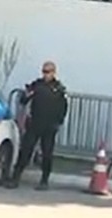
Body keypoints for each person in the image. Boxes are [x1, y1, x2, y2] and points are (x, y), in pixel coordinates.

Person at [5, 61, 69, 190]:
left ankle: (44, 181)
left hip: (50, 126)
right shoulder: (36, 85)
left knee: (47, 153)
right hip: (35, 124)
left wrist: (59, 122)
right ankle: (15, 178)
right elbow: (23, 100)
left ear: (53, 73)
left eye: (48, 72)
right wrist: (27, 94)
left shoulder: (59, 89)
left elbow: (63, 107)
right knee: (26, 151)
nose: (45, 75)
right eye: (44, 71)